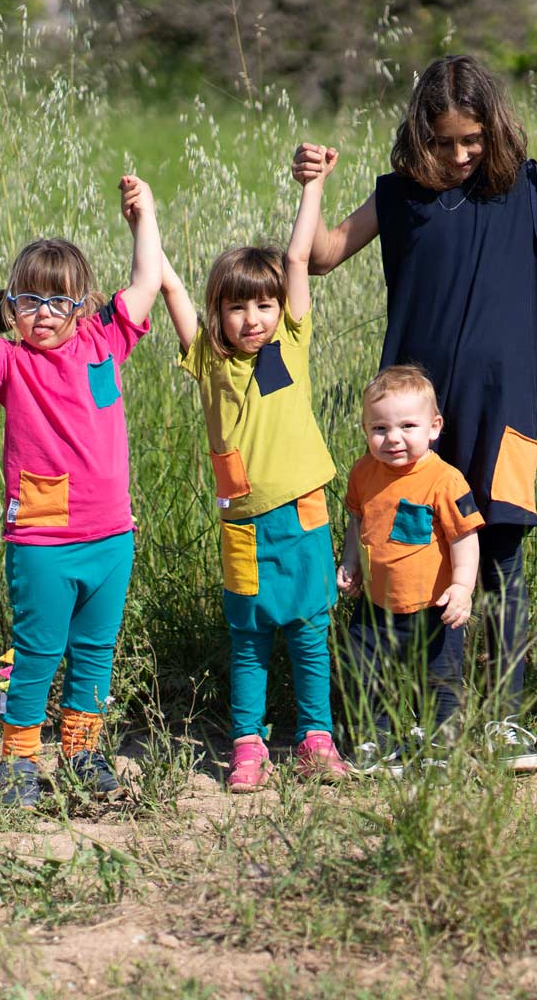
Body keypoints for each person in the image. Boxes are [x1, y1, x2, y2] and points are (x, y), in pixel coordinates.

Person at [294, 55, 537, 771]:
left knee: (501, 553)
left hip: (505, 410)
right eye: (443, 141)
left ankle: (505, 718)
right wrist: (312, 186)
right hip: (416, 426)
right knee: (405, 555)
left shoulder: (523, 183)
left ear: (494, 127)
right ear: (420, 133)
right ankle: (402, 717)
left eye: (471, 138)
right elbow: (319, 257)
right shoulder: (398, 195)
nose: (459, 153)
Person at [0, 176, 164, 807]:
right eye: (28, 301)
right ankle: (18, 761)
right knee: (38, 653)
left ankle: (80, 753)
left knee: (95, 653)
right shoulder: (10, 365)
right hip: (43, 541)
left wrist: (143, 216)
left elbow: (148, 280)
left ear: (81, 304)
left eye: (57, 301)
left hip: (111, 539)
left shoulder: (105, 342)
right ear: (12, 308)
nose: (42, 314)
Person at [161, 156, 347, 792]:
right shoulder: (208, 361)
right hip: (241, 523)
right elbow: (171, 290)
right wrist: (147, 223)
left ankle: (315, 737)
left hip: (303, 511)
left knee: (309, 631)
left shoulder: (289, 344)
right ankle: (248, 742)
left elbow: (298, 258)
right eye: (238, 308)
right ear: (219, 313)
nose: (254, 319)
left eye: (264, 305)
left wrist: (313, 186)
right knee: (249, 638)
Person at [337, 365, 485, 776]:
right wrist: (350, 561)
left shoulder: (444, 480)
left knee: (440, 679)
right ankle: (374, 739)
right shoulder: (364, 472)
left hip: (433, 607)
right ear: (365, 429)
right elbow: (356, 520)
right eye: (380, 428)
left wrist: (462, 587)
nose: (393, 438)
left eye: (407, 425)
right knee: (364, 672)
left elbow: (464, 537)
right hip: (376, 603)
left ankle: (440, 747)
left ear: (434, 427)